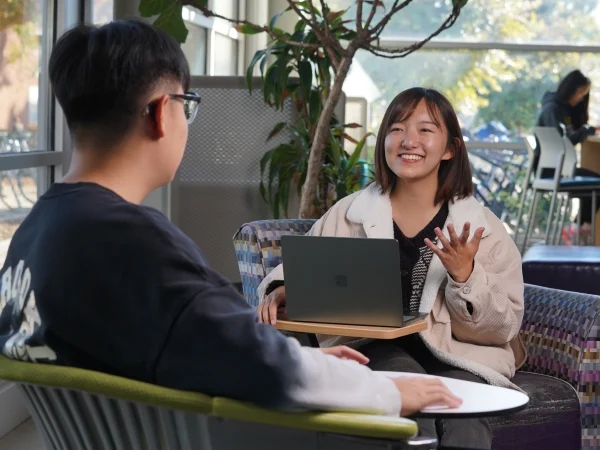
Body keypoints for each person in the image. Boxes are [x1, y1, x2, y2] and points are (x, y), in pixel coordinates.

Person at [0, 21, 461, 419]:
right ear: (162, 113)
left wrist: (307, 358)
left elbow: (198, 333)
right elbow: (258, 366)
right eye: (187, 104)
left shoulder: (38, 230)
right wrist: (384, 390)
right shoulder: (132, 242)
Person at [257, 87, 527, 449]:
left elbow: (503, 327)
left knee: (466, 419)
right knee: (408, 401)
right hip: (374, 349)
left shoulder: (483, 228)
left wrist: (466, 276)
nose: (408, 140)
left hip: (462, 357)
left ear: (450, 149)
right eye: (396, 128)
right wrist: (284, 289)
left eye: (425, 130)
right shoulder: (350, 213)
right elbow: (298, 269)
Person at [537, 70, 600, 226]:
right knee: (596, 185)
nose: (581, 99)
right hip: (554, 171)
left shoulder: (557, 108)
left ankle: (578, 229)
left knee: (595, 185)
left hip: (558, 169)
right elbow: (564, 141)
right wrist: (588, 130)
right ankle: (578, 229)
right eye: (580, 93)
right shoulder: (553, 109)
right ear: (570, 89)